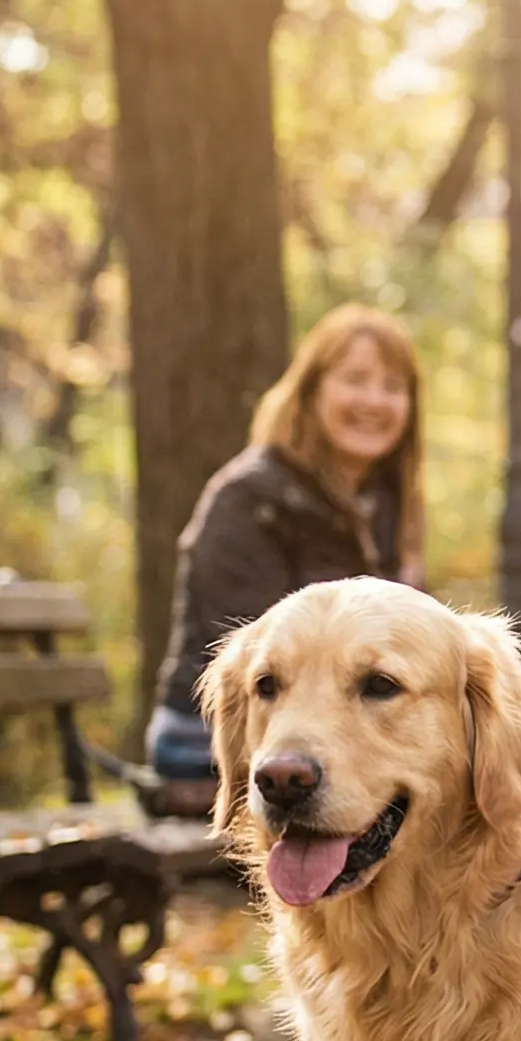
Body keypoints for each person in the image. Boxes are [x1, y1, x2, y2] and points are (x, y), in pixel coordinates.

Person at [143, 305, 431, 797]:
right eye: (355, 379)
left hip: (326, 722)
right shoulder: (251, 498)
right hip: (210, 727)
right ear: (312, 389)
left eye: (392, 386)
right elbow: (253, 667)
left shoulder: (383, 504)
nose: (374, 400)